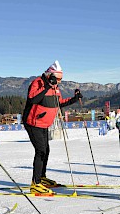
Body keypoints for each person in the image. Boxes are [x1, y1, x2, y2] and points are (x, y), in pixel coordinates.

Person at [23, 60, 83, 194]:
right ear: (51, 75)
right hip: (33, 122)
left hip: (44, 124)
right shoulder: (38, 83)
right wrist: (47, 86)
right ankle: (35, 183)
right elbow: (33, 99)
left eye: (61, 78)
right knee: (41, 151)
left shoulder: (55, 87)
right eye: (59, 78)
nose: (60, 81)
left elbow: (59, 103)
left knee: (46, 150)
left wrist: (75, 98)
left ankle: (41, 177)